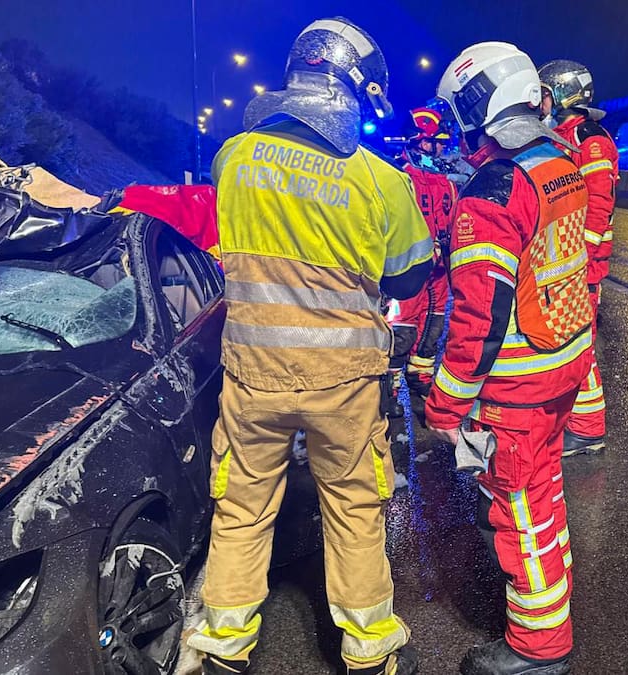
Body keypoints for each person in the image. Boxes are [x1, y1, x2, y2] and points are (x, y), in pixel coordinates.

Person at [187, 17, 431, 675]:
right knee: (353, 507)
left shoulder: (234, 156)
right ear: (352, 85)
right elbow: (411, 273)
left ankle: (226, 644)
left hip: (251, 372)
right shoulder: (380, 179)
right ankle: (368, 646)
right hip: (342, 380)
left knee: (240, 506)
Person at [426, 42, 594, 675]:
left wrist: (445, 405)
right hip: (564, 366)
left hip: (518, 387)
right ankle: (552, 610)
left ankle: (538, 650)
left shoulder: (493, 190)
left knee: (518, 509)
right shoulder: (561, 164)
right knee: (544, 498)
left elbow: (478, 318)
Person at [538, 60, 620, 457]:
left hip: (581, 265)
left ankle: (588, 429)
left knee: (579, 345)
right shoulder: (563, 136)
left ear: (564, 96)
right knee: (566, 340)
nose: (542, 101)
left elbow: (598, 202)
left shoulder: (591, 140)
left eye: (547, 93)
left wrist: (581, 257)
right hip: (566, 261)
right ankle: (575, 421)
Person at [388, 107, 457, 403]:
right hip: (410, 268)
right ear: (418, 141)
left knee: (433, 322)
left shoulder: (448, 182)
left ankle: (420, 374)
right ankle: (388, 381)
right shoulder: (399, 177)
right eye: (435, 142)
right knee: (402, 324)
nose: (441, 149)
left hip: (440, 270)